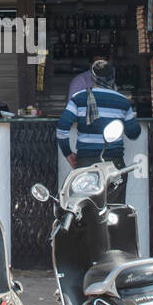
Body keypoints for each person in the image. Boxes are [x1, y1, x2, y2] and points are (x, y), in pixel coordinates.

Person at [56, 59, 140, 202]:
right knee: (114, 211)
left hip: (85, 165)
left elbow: (62, 129)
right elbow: (134, 134)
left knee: (84, 210)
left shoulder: (79, 98)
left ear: (93, 77)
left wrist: (68, 154)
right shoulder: (123, 101)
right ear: (113, 77)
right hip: (115, 165)